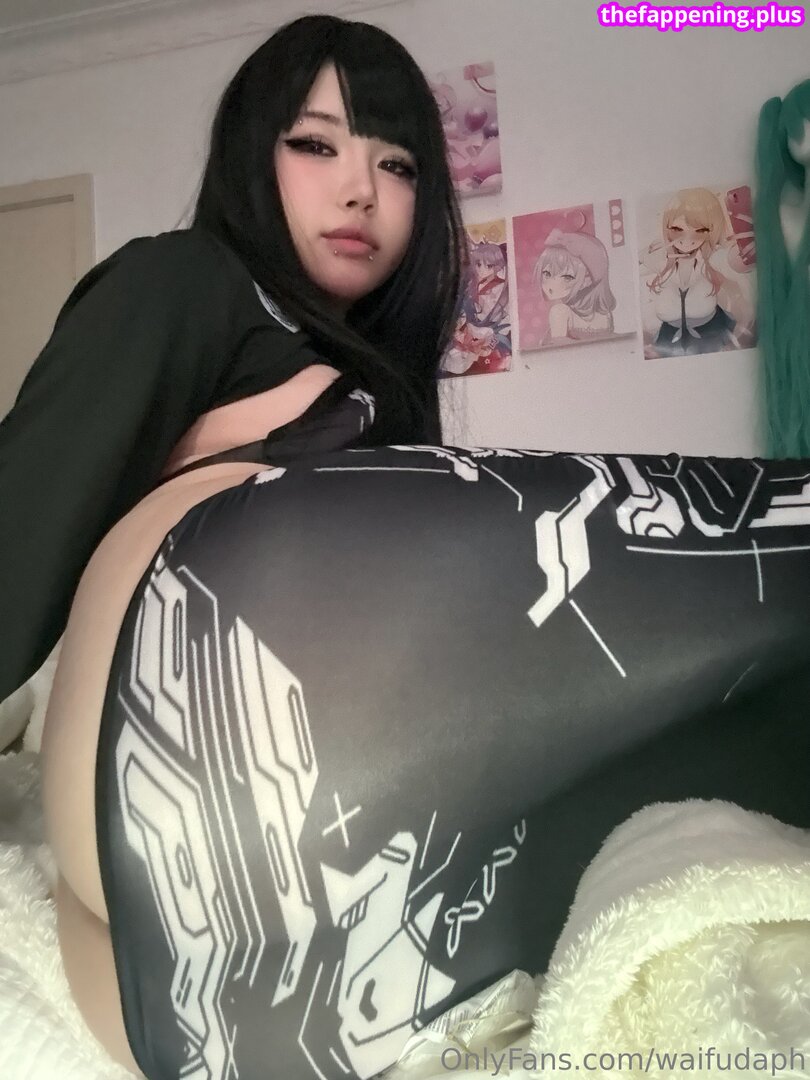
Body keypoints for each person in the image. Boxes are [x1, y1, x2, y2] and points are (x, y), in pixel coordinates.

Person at [1, 15, 809, 1080]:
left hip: (255, 932)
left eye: (397, 164)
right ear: (249, 154)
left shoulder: (375, 382)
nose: (360, 190)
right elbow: (22, 523)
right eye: (315, 144)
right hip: (185, 756)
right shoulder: (184, 279)